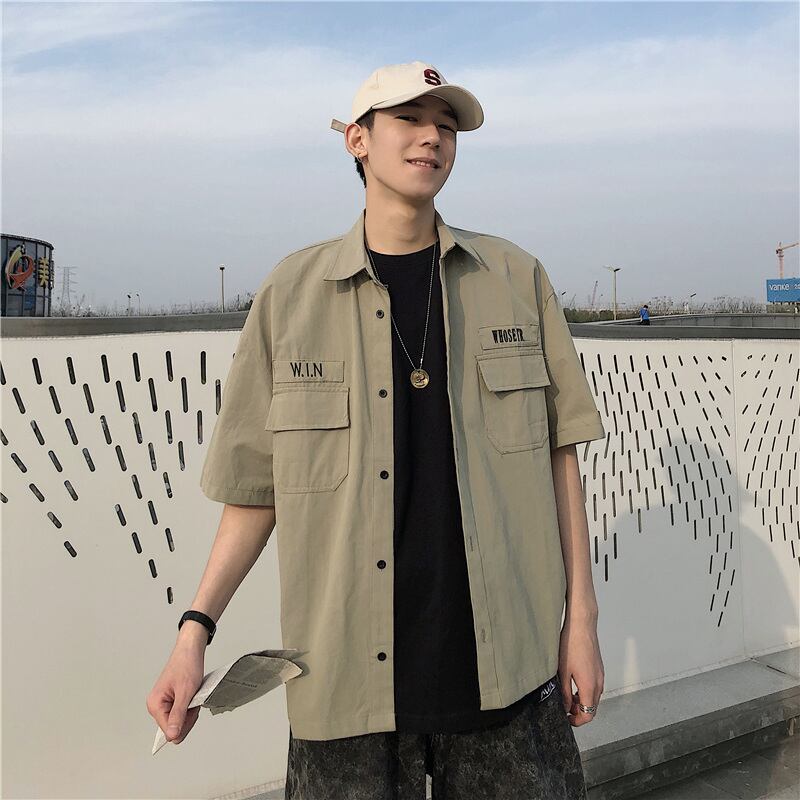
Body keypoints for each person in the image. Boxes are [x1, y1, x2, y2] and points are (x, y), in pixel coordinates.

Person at [147, 60, 606, 799]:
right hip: (341, 679)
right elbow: (256, 491)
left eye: (446, 125)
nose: (432, 137)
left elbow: (561, 460)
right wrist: (193, 633)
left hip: (507, 670)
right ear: (357, 140)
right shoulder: (291, 297)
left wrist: (579, 622)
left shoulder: (516, 280)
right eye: (409, 119)